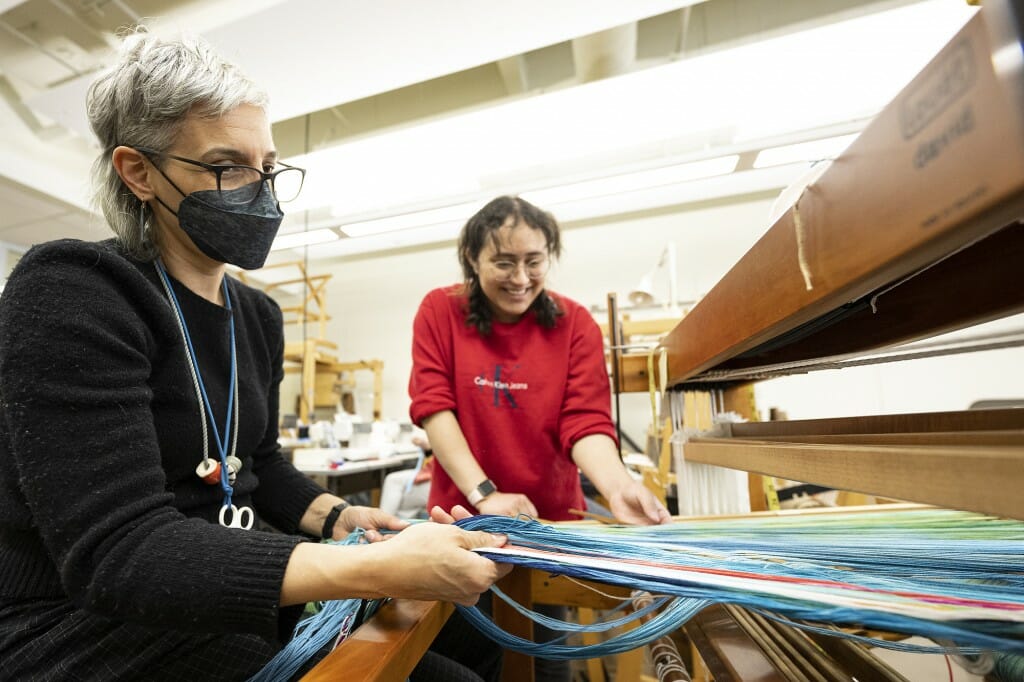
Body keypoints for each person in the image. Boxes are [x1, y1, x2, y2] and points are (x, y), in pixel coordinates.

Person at [0, 30, 508, 681]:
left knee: (469, 634)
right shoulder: (73, 290)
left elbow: (257, 460)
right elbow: (120, 552)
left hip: (202, 584)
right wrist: (379, 566)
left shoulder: (256, 316)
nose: (260, 189)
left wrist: (341, 517)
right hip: (73, 618)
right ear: (140, 172)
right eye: (227, 166)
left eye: (266, 165)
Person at [408, 195, 671, 681]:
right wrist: (484, 494)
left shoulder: (574, 325)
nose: (521, 279)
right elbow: (434, 408)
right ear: (473, 259)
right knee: (472, 661)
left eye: (534, 262)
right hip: (463, 523)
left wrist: (617, 487)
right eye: (503, 263)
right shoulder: (440, 311)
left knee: (546, 661)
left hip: (545, 530)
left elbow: (586, 422)